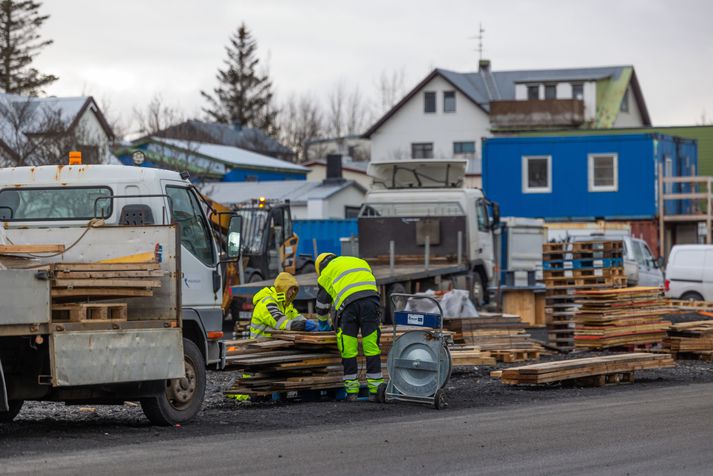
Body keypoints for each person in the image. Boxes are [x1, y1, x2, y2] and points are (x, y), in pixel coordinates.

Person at [314, 252, 383, 401]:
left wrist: (323, 323)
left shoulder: (327, 272)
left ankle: (352, 392)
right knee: (371, 345)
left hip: (349, 306)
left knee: (349, 347)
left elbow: (322, 304)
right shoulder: (357, 260)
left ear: (320, 267)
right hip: (371, 302)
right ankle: (376, 390)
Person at [249, 272, 316, 339]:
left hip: (272, 344)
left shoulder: (285, 304)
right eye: (291, 288)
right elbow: (280, 323)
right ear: (283, 287)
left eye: (294, 289)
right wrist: (303, 325)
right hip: (260, 345)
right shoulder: (267, 302)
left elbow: (296, 317)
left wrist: (312, 324)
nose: (293, 292)